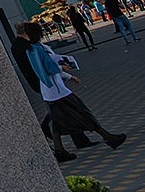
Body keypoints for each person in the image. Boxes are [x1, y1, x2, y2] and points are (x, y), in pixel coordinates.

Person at [19, 22, 126, 160]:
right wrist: (63, 69)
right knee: (82, 112)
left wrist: (68, 75)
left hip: (51, 91)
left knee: (58, 120)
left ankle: (60, 150)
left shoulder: (34, 49)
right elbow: (49, 67)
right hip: (57, 91)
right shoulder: (38, 49)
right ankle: (107, 137)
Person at [9, 26, 91, 157]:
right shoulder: (30, 46)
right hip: (46, 82)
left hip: (41, 82)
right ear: (27, 32)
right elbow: (43, 64)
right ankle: (51, 132)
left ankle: (77, 140)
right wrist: (63, 71)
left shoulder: (17, 46)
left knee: (62, 111)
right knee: (67, 110)